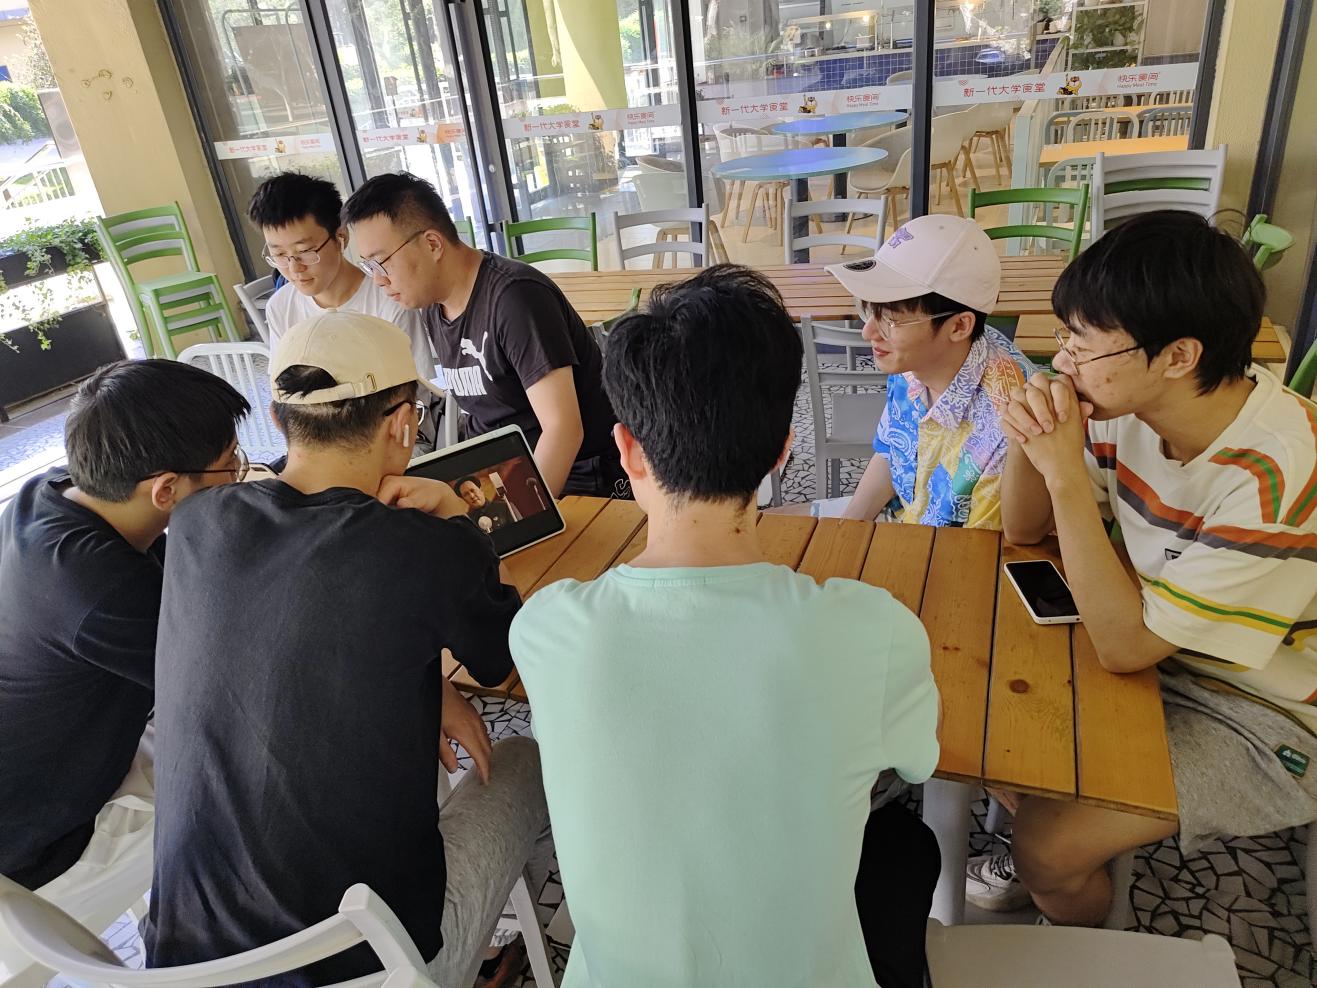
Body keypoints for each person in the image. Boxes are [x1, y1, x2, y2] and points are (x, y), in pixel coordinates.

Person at [511, 265, 942, 987]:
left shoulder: (546, 630)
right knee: (902, 844)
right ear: (782, 450)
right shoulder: (874, 632)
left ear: (627, 450)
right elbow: (916, 762)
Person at [143, 311, 550, 988]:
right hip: (372, 969)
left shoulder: (195, 523)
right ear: (402, 425)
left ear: (278, 422)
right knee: (523, 758)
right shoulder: (424, 549)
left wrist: (431, 686)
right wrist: (457, 521)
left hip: (183, 965)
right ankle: (495, 954)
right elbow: (505, 658)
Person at [966, 211, 1317, 924]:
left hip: (1266, 712)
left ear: (1178, 356)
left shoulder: (1278, 476)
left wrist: (1064, 472)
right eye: (1064, 335)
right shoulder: (1128, 406)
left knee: (1047, 848)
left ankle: (1082, 932)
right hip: (1161, 647)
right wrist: (1027, 437)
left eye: (1082, 343)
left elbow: (1124, 649)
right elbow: (1025, 529)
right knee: (992, 731)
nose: (1062, 360)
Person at [0, 361, 247, 894]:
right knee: (264, 760)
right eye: (230, 466)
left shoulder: (48, 491)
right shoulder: (100, 591)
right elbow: (237, 685)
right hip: (40, 839)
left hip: (47, 751)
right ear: (165, 490)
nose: (238, 475)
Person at [341, 172, 623, 499]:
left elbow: (564, 430)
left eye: (381, 263)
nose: (378, 280)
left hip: (577, 476)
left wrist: (522, 511)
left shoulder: (516, 299)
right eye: (369, 267)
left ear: (432, 244)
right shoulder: (433, 304)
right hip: (501, 471)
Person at [785, 214, 1035, 529]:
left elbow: (979, 547)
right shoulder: (914, 360)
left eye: (890, 319)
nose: (868, 332)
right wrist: (845, 530)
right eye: (869, 309)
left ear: (959, 326)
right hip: (903, 522)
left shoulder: (1008, 422)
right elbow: (891, 452)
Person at [249, 171, 442, 452]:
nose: (294, 268)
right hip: (320, 446)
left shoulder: (389, 297)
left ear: (340, 237)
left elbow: (417, 397)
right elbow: (286, 397)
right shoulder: (281, 307)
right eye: (279, 255)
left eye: (306, 251)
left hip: (394, 440)